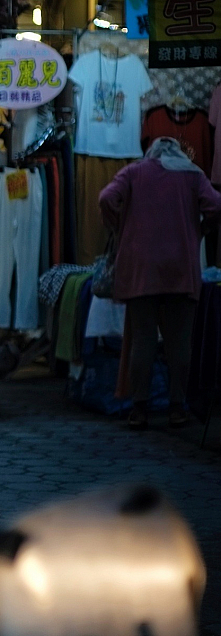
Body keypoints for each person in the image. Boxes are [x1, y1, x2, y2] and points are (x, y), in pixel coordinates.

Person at [99, 136, 221, 430]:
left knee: (143, 339)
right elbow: (216, 205)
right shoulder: (193, 174)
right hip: (181, 268)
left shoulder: (133, 172)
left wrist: (119, 226)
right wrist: (200, 231)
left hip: (141, 268)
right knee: (180, 342)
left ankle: (139, 409)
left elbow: (106, 198)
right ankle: (177, 408)